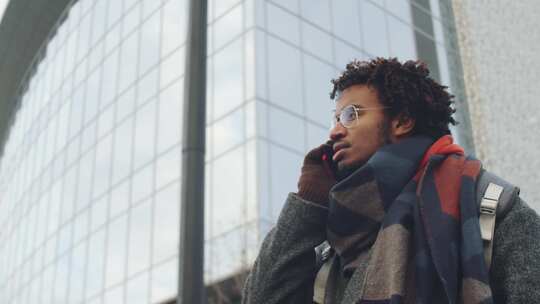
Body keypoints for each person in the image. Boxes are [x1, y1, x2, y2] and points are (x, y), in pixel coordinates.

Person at [241, 58, 540, 304]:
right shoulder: (335, 245)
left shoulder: (488, 208)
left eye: (350, 115)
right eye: (334, 119)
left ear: (402, 121)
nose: (334, 132)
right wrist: (308, 201)